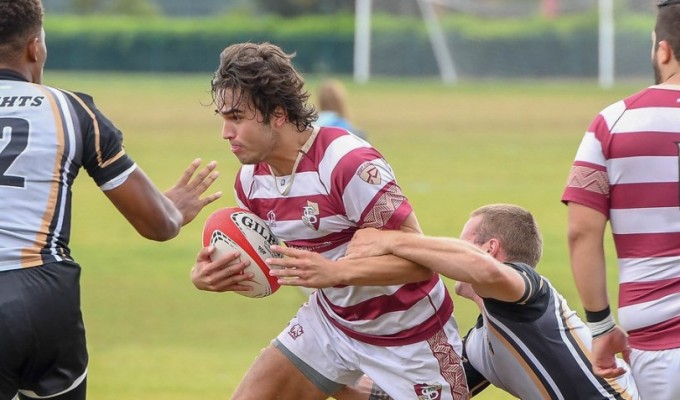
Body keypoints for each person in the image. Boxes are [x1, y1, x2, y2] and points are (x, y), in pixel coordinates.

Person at [190, 42, 468, 400]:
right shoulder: (250, 183)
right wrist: (215, 273)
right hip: (331, 324)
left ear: (277, 114)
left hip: (410, 334)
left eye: (236, 118)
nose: (225, 133)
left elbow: (420, 263)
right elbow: (274, 266)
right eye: (222, 118)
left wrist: (337, 273)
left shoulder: (346, 163)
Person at [0, 1, 222, 399]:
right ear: (35, 47)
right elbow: (159, 225)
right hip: (46, 298)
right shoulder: (73, 109)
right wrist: (171, 210)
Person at [271, 204, 639, 399]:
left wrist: (390, 242)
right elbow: (417, 395)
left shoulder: (528, 292)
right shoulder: (480, 345)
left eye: (462, 242)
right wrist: (328, 370)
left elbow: (489, 273)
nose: (449, 252)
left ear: (491, 250)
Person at [561, 1, 680, 398]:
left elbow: (581, 232)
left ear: (662, 50)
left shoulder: (611, 123)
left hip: (659, 344)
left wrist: (600, 327)